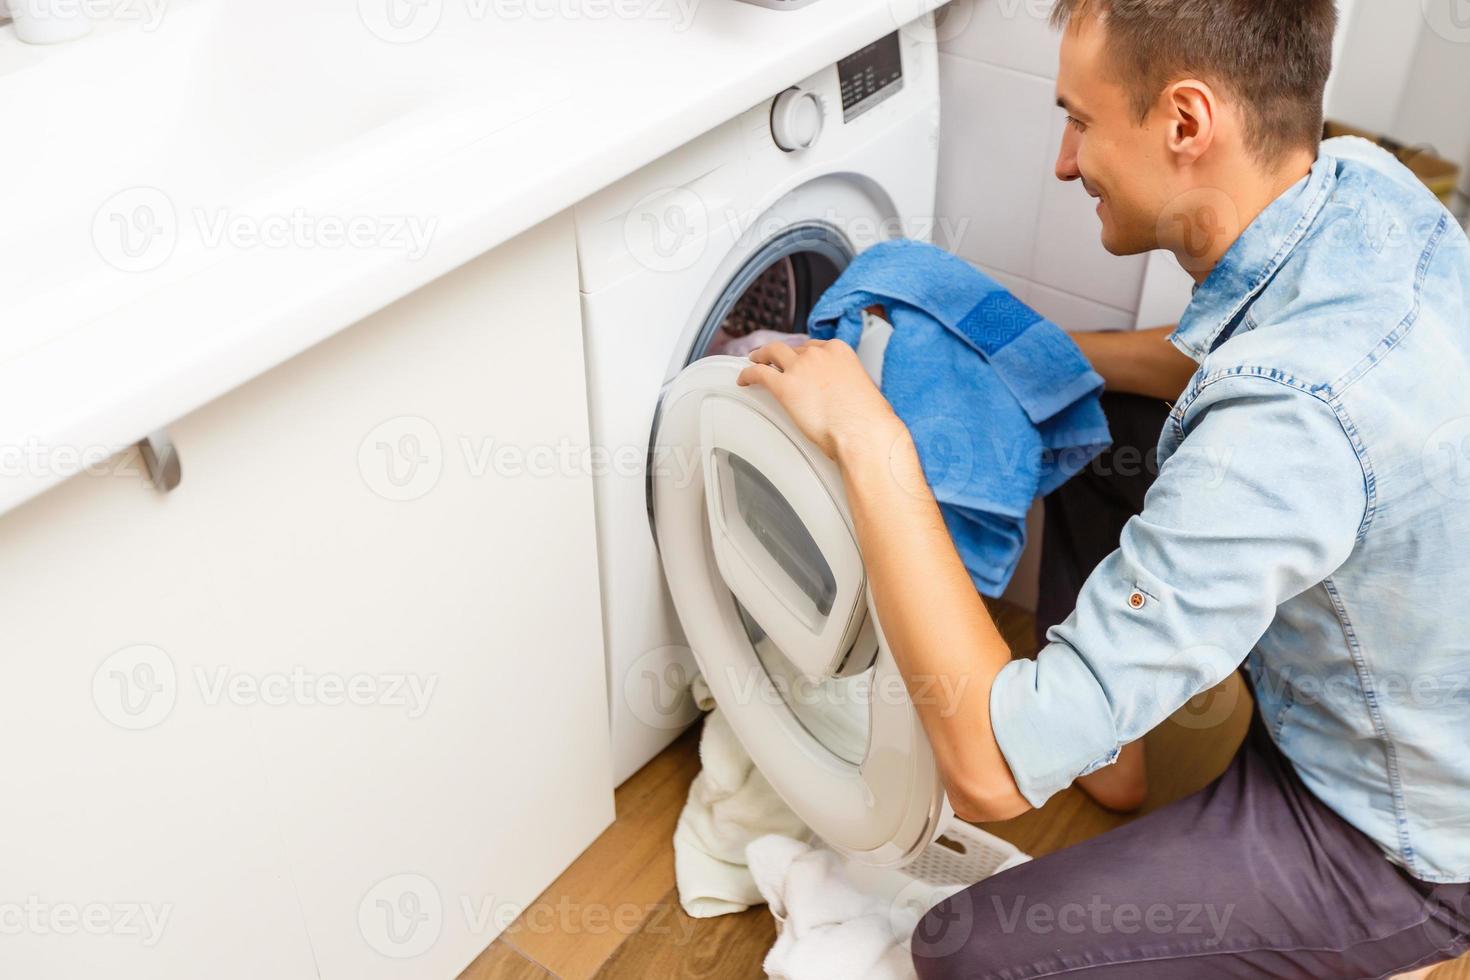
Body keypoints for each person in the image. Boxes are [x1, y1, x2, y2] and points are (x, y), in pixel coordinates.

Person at [737, 0, 1470, 975]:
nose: (1065, 160)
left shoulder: (1288, 426)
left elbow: (989, 773)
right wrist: (1034, 361)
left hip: (1396, 831)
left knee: (967, 952)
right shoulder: (1363, 185)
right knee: (1095, 417)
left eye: (1080, 119)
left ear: (1184, 123)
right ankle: (1106, 750)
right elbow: (1218, 371)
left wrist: (874, 441)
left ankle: (1381, 942)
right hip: (1391, 660)